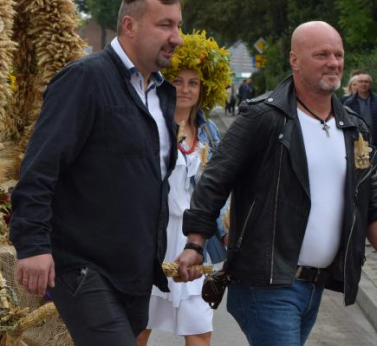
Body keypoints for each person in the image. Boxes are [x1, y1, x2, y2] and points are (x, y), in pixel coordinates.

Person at [177, 21, 377, 346]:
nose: (333, 62)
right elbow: (215, 179)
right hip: (264, 283)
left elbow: (370, 204)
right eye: (322, 54)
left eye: (338, 54)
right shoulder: (262, 118)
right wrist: (195, 243)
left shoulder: (355, 129)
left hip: (315, 284)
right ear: (295, 60)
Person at [10, 0, 184, 345]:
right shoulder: (85, 79)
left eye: (178, 25)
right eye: (165, 25)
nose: (177, 37)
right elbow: (40, 167)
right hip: (83, 268)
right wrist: (33, 246)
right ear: (129, 26)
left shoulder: (162, 93)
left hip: (135, 271)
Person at [137, 31, 231, 346]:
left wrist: (227, 228)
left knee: (200, 330)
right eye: (178, 81)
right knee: (138, 328)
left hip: (195, 239)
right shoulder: (149, 125)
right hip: (153, 237)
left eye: (194, 83)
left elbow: (219, 186)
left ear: (205, 88)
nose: (186, 89)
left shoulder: (209, 130)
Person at [344, 73, 376, 142]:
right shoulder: (349, 103)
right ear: (357, 84)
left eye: (366, 82)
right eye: (361, 81)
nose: (363, 84)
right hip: (358, 142)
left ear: (370, 84)